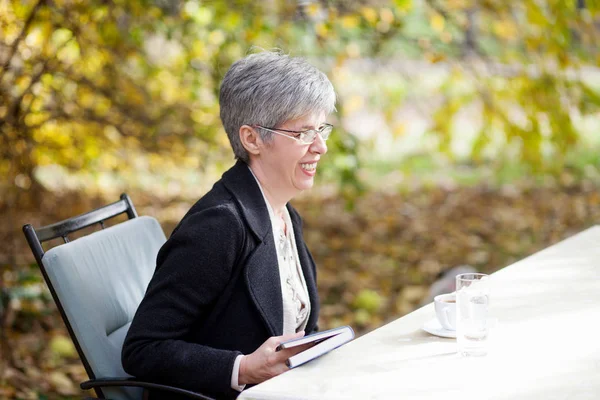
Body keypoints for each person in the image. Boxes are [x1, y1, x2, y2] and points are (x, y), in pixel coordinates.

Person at [122, 51, 336, 400]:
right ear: (252, 139)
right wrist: (243, 368)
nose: (321, 146)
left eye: (322, 129)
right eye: (303, 133)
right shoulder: (219, 225)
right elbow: (143, 348)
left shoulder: (283, 212)